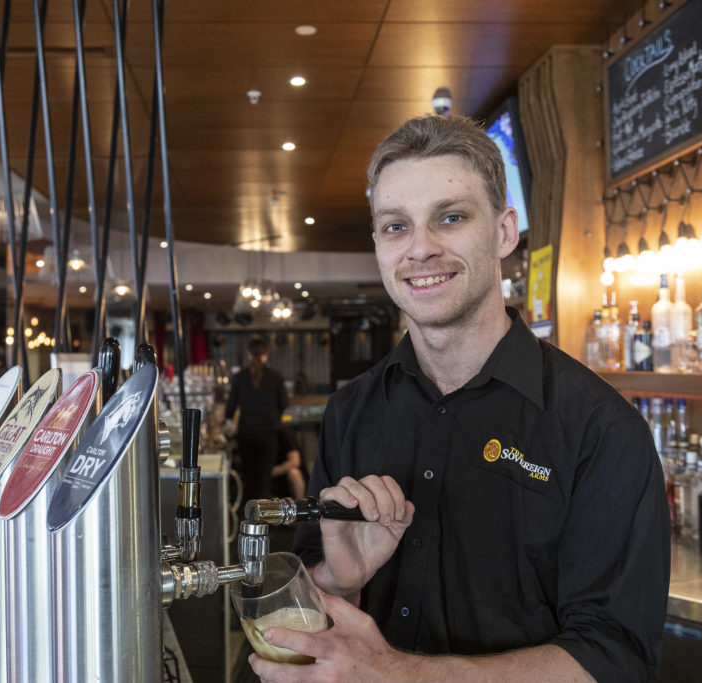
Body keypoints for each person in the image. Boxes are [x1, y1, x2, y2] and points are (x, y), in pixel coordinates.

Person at [249, 115, 670, 681]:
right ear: (377, 243)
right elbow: (309, 605)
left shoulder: (599, 428)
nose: (421, 248)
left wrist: (398, 674)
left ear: (503, 230)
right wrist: (339, 578)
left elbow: (615, 656)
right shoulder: (353, 411)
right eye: (396, 226)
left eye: (450, 217)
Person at [225, 337, 289, 501]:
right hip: (268, 432)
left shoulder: (239, 377)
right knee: (265, 474)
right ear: (265, 355)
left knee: (249, 472)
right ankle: (265, 509)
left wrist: (228, 421)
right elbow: (284, 403)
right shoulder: (276, 376)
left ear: (248, 355)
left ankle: (250, 509)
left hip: (246, 432)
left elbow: (231, 405)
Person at [271, 425, 307, 501]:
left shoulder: (285, 432)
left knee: (294, 473)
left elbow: (295, 461)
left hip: (285, 476)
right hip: (274, 481)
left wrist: (271, 472)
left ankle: (301, 505)